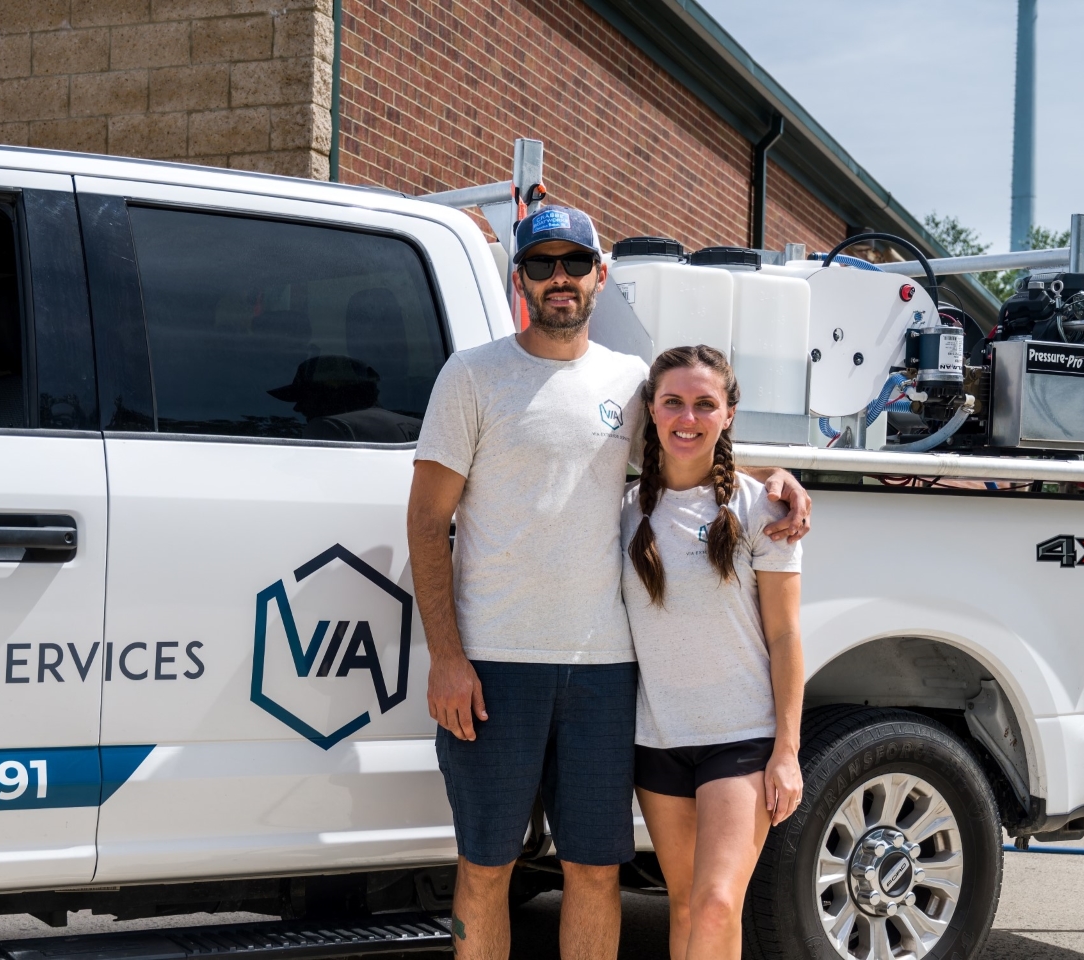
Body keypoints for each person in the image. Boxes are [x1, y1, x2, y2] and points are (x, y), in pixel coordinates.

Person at [407, 206, 811, 960]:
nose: (558, 278)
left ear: (600, 274)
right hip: (494, 667)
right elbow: (428, 523)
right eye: (541, 264)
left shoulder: (631, 381)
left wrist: (772, 478)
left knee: (594, 870)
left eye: (573, 263)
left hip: (604, 675)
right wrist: (447, 657)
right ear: (520, 278)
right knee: (485, 866)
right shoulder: (472, 375)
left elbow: (689, 443)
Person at [620, 344, 804, 960]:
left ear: (728, 414)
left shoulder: (762, 509)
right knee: (684, 906)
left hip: (742, 738)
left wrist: (786, 751)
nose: (687, 418)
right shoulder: (623, 512)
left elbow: (784, 636)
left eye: (705, 404)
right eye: (673, 401)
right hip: (660, 738)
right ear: (652, 408)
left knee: (720, 901)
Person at [268, 354, 422, 442]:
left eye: (304, 396)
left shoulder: (326, 428)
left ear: (329, 395)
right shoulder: (417, 428)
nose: (297, 407)